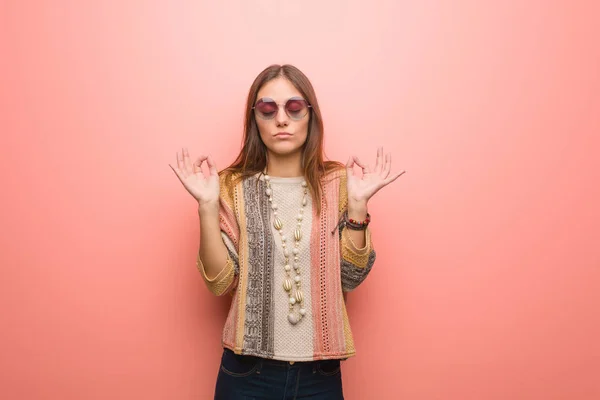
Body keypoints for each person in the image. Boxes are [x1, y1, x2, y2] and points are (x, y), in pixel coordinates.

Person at [170, 64, 405, 399]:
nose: (281, 119)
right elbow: (220, 282)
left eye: (294, 108)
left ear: (311, 115)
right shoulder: (231, 186)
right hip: (247, 372)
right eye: (268, 109)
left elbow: (350, 278)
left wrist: (356, 207)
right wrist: (206, 207)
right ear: (255, 120)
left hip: (319, 375)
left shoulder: (339, 183)